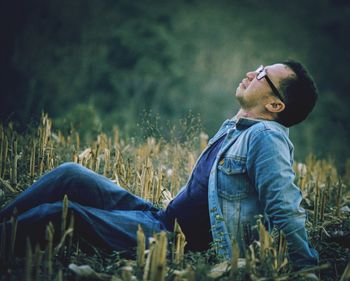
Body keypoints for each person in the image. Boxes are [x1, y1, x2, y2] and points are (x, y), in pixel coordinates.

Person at [0, 60, 318, 269]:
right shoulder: (237, 127)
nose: (252, 72)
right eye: (260, 67)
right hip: (160, 217)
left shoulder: (267, 137)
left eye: (263, 75)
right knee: (71, 174)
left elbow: (283, 205)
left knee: (60, 214)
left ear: (276, 105)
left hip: (173, 242)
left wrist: (306, 268)